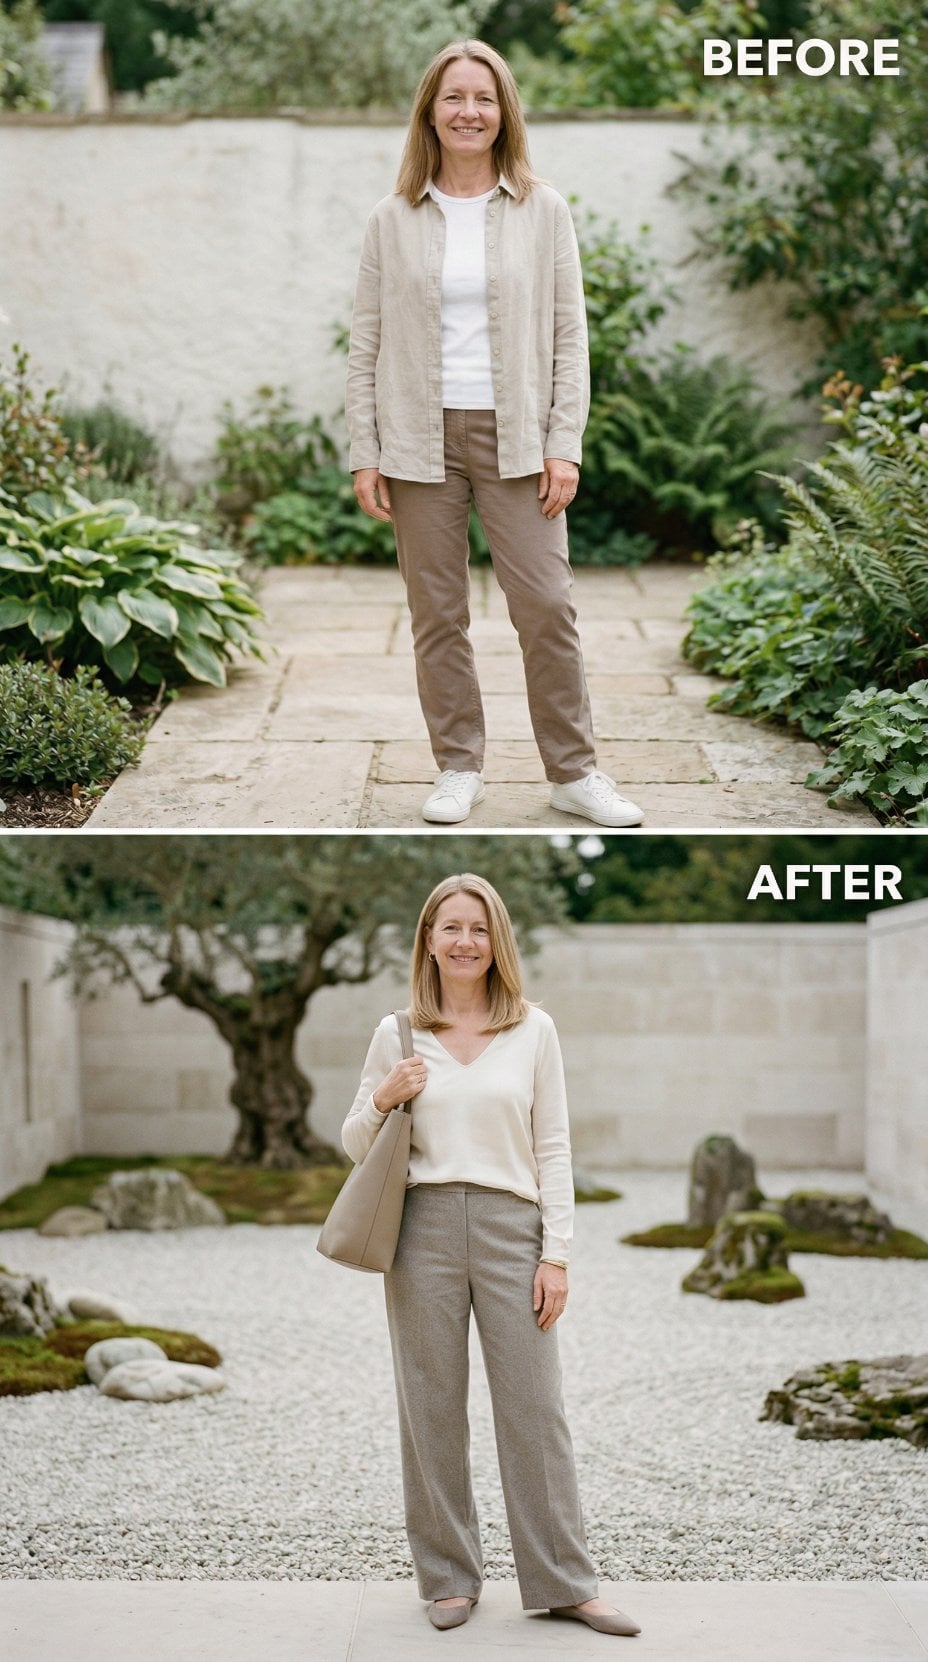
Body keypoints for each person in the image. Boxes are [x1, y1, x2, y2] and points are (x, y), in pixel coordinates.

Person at [346, 40, 644, 830]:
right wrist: (365, 450)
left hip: (518, 437)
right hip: (418, 441)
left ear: (504, 111)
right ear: (430, 113)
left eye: (484, 98)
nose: (469, 111)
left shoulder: (544, 209)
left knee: (546, 605)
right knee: (437, 614)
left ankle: (574, 773)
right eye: (454, 98)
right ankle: (457, 766)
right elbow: (365, 343)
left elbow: (569, 335)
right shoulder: (392, 217)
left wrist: (563, 440)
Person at [341, 872, 641, 1638]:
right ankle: (448, 1577)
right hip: (422, 1230)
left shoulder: (533, 1029)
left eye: (479, 928)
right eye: (450, 928)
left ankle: (565, 1582)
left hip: (514, 1229)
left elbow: (555, 1146)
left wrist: (558, 1255)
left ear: (496, 939)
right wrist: (382, 1099)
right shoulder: (396, 1034)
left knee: (537, 1410)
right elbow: (353, 1143)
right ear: (429, 941)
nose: (465, 941)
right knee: (431, 1406)